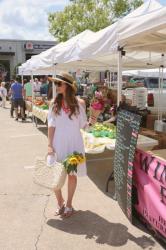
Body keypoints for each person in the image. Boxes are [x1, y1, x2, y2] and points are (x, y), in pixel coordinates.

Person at [48, 72, 87, 218]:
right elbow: (51, 125)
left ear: (68, 86)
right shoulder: (53, 103)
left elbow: (84, 125)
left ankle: (69, 204)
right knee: (55, 177)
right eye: (56, 83)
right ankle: (60, 202)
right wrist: (49, 145)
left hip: (74, 144)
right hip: (58, 143)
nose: (56, 86)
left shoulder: (80, 103)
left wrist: (93, 119)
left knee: (72, 175)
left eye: (59, 84)